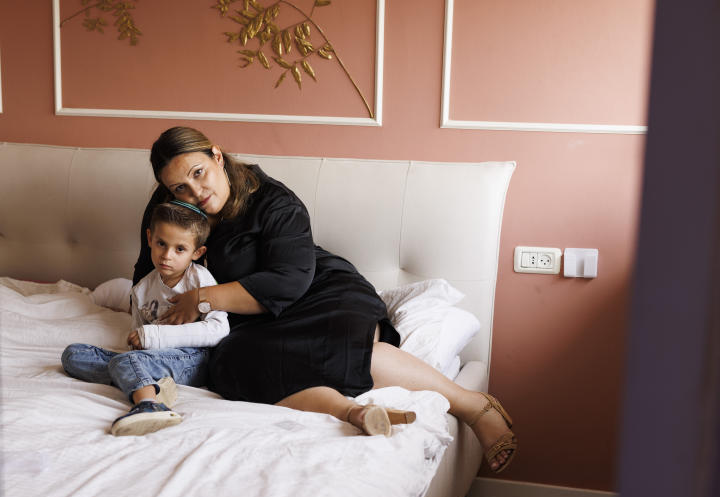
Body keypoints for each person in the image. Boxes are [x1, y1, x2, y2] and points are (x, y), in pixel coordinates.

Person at [132, 126, 517, 472]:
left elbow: (288, 280)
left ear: (216, 156)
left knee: (340, 337)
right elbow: (148, 274)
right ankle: (353, 413)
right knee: (235, 365)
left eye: (198, 174)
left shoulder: (274, 201)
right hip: (244, 316)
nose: (194, 193)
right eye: (179, 187)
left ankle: (470, 404)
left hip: (315, 287)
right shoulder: (169, 208)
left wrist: (202, 298)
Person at [62, 201, 229, 437]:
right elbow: (137, 338)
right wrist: (137, 343)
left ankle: (150, 405)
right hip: (150, 360)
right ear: (150, 238)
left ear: (197, 252)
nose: (167, 256)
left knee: (123, 363)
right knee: (73, 356)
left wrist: (151, 337)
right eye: (161, 244)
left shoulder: (199, 280)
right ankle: (152, 386)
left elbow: (219, 328)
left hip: (192, 358)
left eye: (180, 249)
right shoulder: (142, 288)